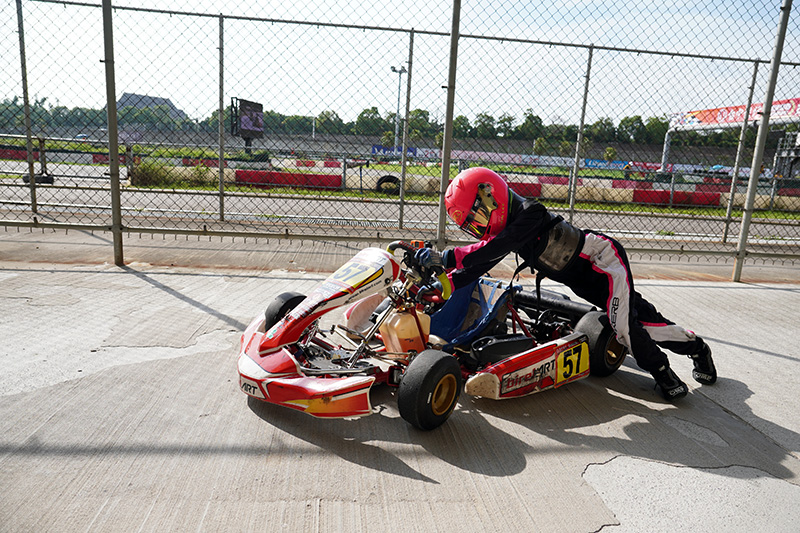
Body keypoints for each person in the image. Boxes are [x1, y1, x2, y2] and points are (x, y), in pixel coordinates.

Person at [415, 167, 716, 401]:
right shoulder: (508, 229)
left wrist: (445, 257)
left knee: (622, 326)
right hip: (584, 282)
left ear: (490, 195)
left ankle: (663, 373)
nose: (479, 226)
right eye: (472, 223)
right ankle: (697, 346)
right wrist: (443, 285)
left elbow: (493, 249)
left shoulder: (530, 213)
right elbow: (479, 263)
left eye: (477, 216)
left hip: (604, 262)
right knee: (643, 321)